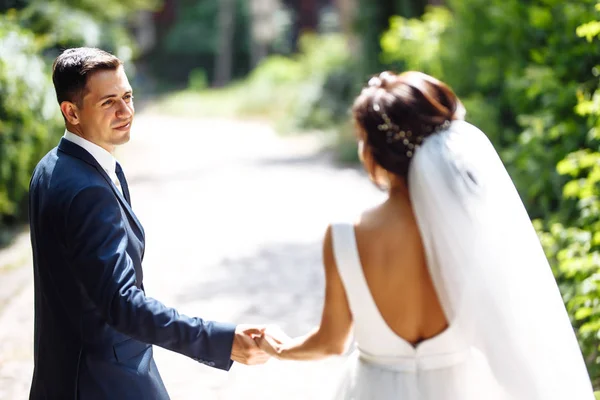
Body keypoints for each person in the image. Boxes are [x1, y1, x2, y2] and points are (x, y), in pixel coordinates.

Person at [255, 71, 596, 399]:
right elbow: (508, 335)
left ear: (373, 152)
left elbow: (330, 343)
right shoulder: (472, 229)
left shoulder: (345, 237)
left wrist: (279, 346)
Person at [28, 47, 269, 400]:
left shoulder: (52, 166)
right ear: (72, 112)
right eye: (109, 102)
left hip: (63, 376)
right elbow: (122, 302)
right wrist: (220, 340)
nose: (126, 111)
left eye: (127, 96)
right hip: (106, 382)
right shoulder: (87, 189)